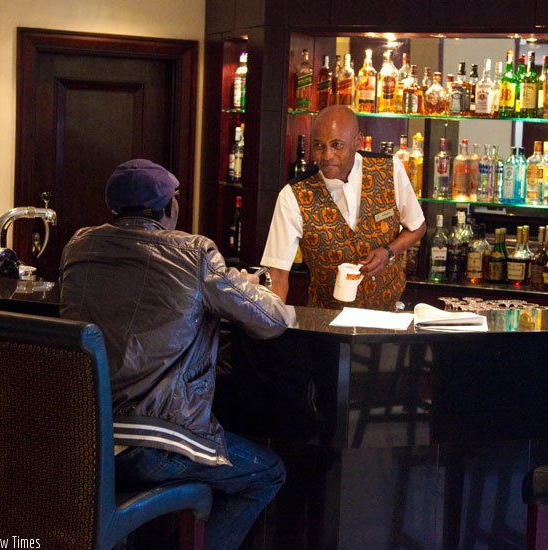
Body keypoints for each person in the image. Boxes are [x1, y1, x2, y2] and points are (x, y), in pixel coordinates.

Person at [59, 159, 295, 549]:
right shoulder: (194, 253)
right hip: (157, 443)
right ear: (169, 207)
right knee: (266, 473)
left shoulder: (79, 245)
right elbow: (269, 320)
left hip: (88, 438)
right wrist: (258, 289)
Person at [261, 105, 427, 311]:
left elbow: (417, 227)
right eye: (319, 146)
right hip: (325, 319)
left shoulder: (389, 170)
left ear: (358, 141)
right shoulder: (293, 195)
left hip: (389, 316)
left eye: (336, 145)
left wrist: (388, 252)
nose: (327, 155)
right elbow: (277, 275)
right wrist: (271, 326)